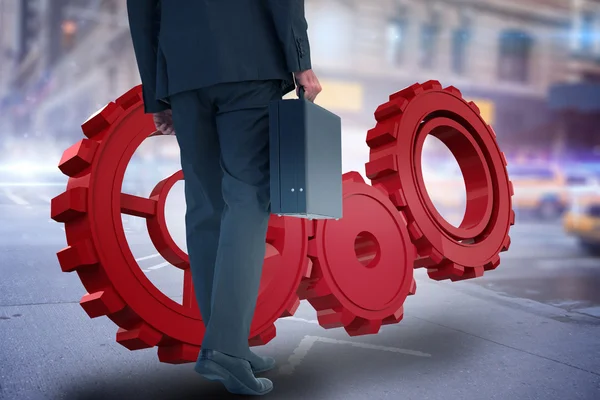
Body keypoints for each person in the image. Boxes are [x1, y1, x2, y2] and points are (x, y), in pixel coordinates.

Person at [126, 0, 321, 396]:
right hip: (248, 61)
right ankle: (226, 350)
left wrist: (157, 94)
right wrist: (300, 59)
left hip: (183, 72)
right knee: (248, 199)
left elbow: (142, 13)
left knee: (205, 204)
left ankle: (225, 342)